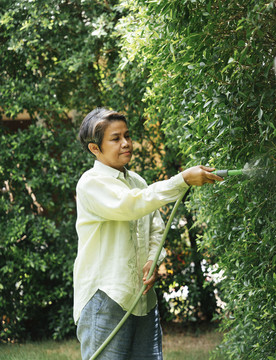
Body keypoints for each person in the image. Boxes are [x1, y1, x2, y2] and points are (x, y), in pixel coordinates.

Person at [73, 108, 222, 359]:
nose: (126, 143)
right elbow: (131, 206)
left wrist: (154, 260)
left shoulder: (138, 182)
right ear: (94, 149)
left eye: (127, 136)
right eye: (116, 138)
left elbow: (156, 229)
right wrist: (182, 180)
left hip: (144, 300)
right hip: (105, 299)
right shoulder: (91, 183)